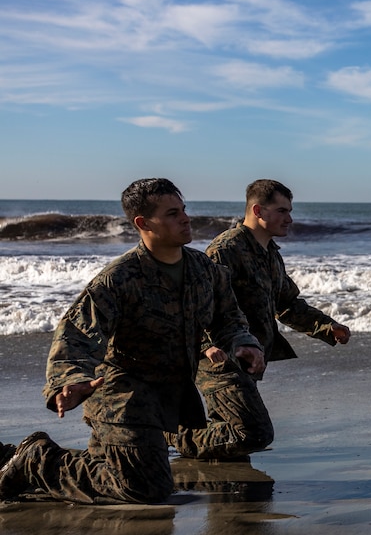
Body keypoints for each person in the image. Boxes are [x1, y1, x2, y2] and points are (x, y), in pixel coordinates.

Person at [0, 178, 264, 504]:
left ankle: (107, 454)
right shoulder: (120, 278)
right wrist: (70, 380)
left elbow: (229, 317)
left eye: (183, 210)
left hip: (170, 392)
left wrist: (244, 342)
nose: (185, 218)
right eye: (171, 213)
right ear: (143, 223)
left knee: (123, 470)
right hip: (122, 394)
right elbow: (78, 331)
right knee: (146, 488)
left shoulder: (204, 269)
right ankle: (37, 460)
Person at [168, 179, 351, 460]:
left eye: (289, 211)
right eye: (281, 211)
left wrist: (327, 327)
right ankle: (166, 433)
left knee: (231, 438)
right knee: (252, 433)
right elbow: (197, 303)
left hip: (248, 359)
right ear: (258, 211)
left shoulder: (270, 254)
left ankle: (222, 489)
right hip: (221, 360)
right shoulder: (225, 249)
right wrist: (207, 345)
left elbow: (286, 304)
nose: (289, 219)